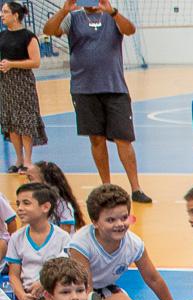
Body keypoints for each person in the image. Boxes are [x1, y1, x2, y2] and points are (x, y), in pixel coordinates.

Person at [43, 0, 151, 203]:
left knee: (123, 139)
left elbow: (130, 30)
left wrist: (113, 12)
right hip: (84, 89)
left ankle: (136, 188)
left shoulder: (112, 17)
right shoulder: (72, 18)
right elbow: (48, 30)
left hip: (115, 87)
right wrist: (64, 10)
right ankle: (106, 186)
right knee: (96, 139)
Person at [67, 183, 175, 300]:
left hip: (100, 288)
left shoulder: (134, 244)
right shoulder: (81, 244)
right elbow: (86, 286)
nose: (120, 224)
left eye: (124, 218)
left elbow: (153, 279)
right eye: (111, 220)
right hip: (73, 288)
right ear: (95, 222)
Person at [5, 182, 72, 300]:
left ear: (45, 207)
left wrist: (43, 283)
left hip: (52, 293)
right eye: (18, 204)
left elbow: (63, 271)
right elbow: (13, 275)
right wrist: (21, 295)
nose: (19, 208)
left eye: (26, 203)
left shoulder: (62, 237)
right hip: (27, 295)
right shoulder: (17, 237)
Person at [0, 1, 45, 173]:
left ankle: (27, 160)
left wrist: (12, 64)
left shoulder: (28, 36)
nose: (1, 15)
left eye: (5, 12)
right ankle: (18, 159)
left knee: (25, 121)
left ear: (16, 15)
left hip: (23, 83)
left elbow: (36, 62)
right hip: (6, 83)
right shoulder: (2, 36)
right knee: (11, 122)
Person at [27, 161, 84, 232]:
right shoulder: (35, 203)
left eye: (31, 179)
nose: (28, 183)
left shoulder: (62, 205)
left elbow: (65, 233)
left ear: (46, 181)